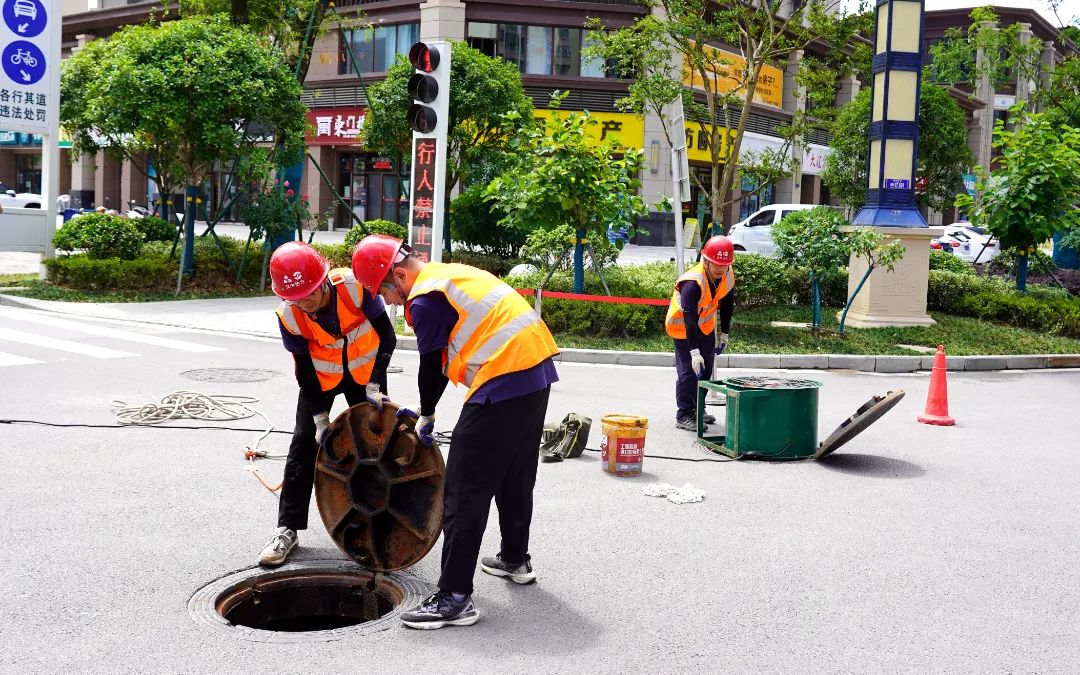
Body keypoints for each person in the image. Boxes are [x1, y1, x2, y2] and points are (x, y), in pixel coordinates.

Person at [351, 235, 560, 630]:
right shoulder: (447, 276)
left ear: (399, 275)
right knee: (515, 472)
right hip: (536, 371)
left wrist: (426, 415)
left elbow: (431, 367)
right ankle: (515, 559)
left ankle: (455, 597)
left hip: (503, 377)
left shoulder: (426, 299)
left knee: (464, 490)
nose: (390, 302)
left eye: (384, 292)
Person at [257, 241, 396, 566]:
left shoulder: (354, 287)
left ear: (323, 281)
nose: (304, 303)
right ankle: (286, 529)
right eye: (295, 298)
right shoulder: (289, 314)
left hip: (366, 373)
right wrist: (320, 418)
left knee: (374, 445)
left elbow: (387, 337)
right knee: (303, 444)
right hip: (321, 377)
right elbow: (303, 368)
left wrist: (375, 383)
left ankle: (380, 525)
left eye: (310, 293)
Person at [665, 235, 735, 431]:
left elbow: (728, 303)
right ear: (705, 260)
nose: (720, 268)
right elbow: (689, 317)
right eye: (716, 264)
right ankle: (684, 413)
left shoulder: (727, 275)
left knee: (706, 369)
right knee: (689, 371)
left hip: (705, 326)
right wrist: (694, 352)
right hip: (682, 328)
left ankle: (698, 408)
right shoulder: (692, 282)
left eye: (724, 264)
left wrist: (725, 333)